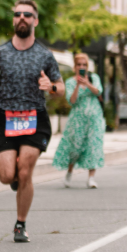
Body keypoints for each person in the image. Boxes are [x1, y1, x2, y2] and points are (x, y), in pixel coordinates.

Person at [0, 0, 64, 243]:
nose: (22, 18)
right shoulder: (0, 52)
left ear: (35, 21)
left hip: (34, 117)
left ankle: (20, 223)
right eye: (18, 14)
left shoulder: (45, 55)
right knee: (7, 175)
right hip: (6, 117)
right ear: (14, 19)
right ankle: (15, 179)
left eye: (27, 15)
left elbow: (61, 87)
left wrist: (51, 86)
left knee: (25, 170)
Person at [53, 52, 104, 189]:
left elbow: (98, 92)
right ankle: (69, 172)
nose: (82, 66)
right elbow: (72, 101)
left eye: (84, 64)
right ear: (75, 67)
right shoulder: (70, 82)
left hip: (94, 118)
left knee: (93, 146)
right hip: (77, 120)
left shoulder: (94, 78)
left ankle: (91, 178)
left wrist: (87, 83)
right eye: (79, 65)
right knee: (75, 148)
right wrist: (77, 85)